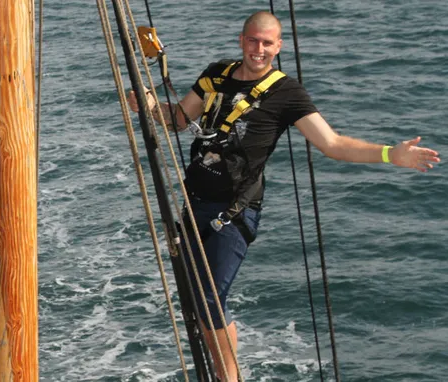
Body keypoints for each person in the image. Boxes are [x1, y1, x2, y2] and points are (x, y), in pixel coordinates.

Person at [127, 11, 440, 382]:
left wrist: (391, 154)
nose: (259, 49)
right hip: (192, 205)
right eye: (253, 40)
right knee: (200, 302)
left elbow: (333, 144)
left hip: (232, 213)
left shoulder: (286, 94)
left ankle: (229, 378)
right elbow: (179, 119)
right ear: (242, 40)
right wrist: (148, 104)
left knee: (209, 298)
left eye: (267, 43)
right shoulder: (217, 75)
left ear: (278, 47)